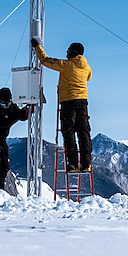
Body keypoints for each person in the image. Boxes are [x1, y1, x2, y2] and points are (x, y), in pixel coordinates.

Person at [32, 38, 92, 172]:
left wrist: (37, 47)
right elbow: (88, 77)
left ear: (73, 52)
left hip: (68, 101)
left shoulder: (66, 65)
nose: (66, 52)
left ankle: (73, 164)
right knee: (83, 132)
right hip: (83, 101)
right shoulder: (86, 67)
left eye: (68, 50)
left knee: (68, 131)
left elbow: (46, 61)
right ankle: (86, 164)